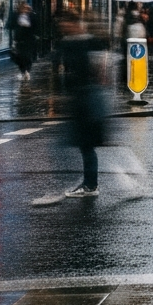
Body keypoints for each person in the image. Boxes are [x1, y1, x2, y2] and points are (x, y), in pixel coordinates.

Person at [58, 14, 108, 197]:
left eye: (67, 25)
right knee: (83, 144)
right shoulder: (68, 43)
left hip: (88, 97)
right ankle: (89, 183)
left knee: (86, 143)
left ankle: (90, 185)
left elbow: (100, 70)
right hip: (78, 98)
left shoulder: (89, 43)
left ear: (76, 24)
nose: (65, 28)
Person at [10, 0, 36, 79]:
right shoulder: (15, 15)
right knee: (19, 57)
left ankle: (26, 71)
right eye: (22, 7)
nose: (24, 8)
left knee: (28, 57)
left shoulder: (31, 15)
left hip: (29, 40)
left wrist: (31, 12)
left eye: (25, 6)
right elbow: (9, 25)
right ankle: (24, 71)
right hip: (19, 40)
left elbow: (36, 25)